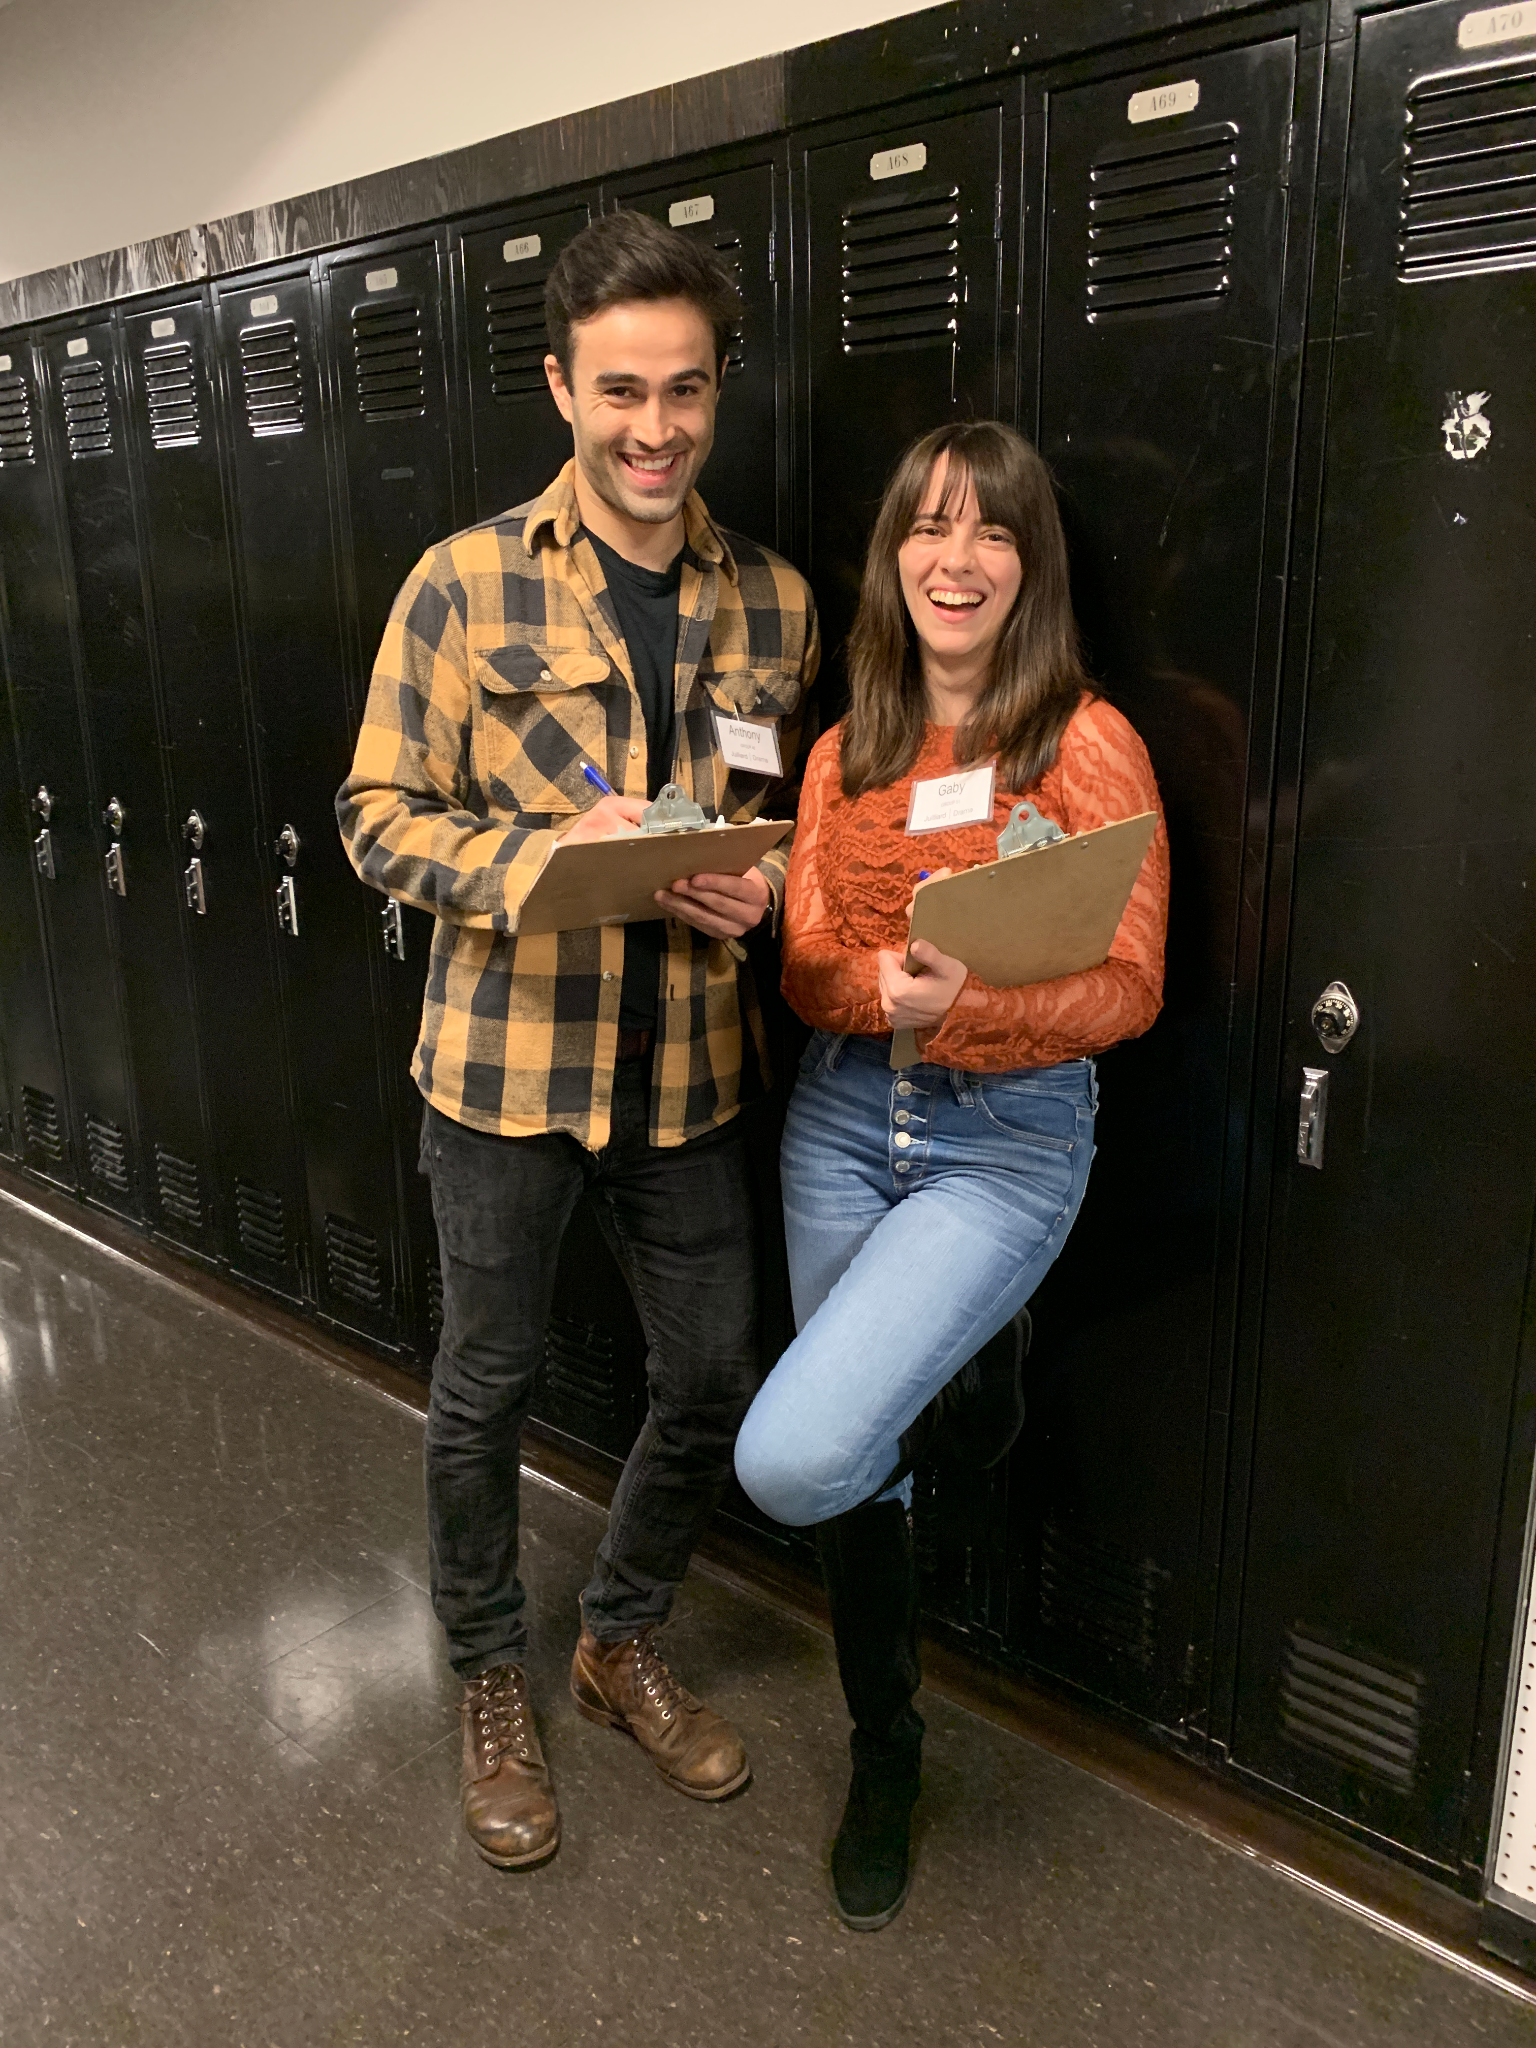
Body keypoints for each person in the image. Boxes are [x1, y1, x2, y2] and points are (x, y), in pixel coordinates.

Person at [336, 210, 817, 1869]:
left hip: (688, 1074)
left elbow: (756, 814)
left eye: (685, 390)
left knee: (709, 1378)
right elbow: (375, 819)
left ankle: (616, 1641)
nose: (654, 428)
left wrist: (749, 886)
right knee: (485, 1386)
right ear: (560, 386)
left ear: (716, 390)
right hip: (503, 1074)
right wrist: (558, 866)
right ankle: (489, 1672)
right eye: (620, 390)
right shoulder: (461, 586)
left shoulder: (773, 601)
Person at [733, 420, 1169, 1930]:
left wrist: (964, 1010)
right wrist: (885, 997)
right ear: (893, 557)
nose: (955, 558)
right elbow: (799, 963)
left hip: (1005, 1140)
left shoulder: (1087, 742)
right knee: (866, 1486)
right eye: (927, 527)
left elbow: (1131, 988)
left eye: (990, 531)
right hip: (845, 1123)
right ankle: (887, 1751)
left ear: (1028, 563)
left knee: (793, 1457)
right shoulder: (844, 751)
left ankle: (975, 1367)